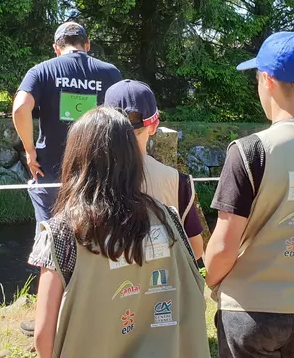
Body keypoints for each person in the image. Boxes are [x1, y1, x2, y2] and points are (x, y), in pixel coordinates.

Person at [29, 106, 210, 358]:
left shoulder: (61, 231)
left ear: (76, 159)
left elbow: (43, 335)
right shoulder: (166, 216)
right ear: (132, 157)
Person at [205, 31, 294, 357]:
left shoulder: (250, 151)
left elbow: (224, 247)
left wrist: (211, 281)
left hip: (251, 311)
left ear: (267, 80)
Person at [13, 21, 122, 235]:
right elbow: (122, 119)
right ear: (87, 45)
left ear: (56, 48)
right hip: (97, 172)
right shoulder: (110, 73)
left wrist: (29, 150)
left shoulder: (41, 70)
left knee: (50, 242)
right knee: (95, 239)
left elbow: (20, 109)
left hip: (52, 172)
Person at [104, 80, 204, 259]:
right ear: (154, 125)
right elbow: (196, 249)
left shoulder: (86, 177)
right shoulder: (177, 181)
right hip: (161, 283)